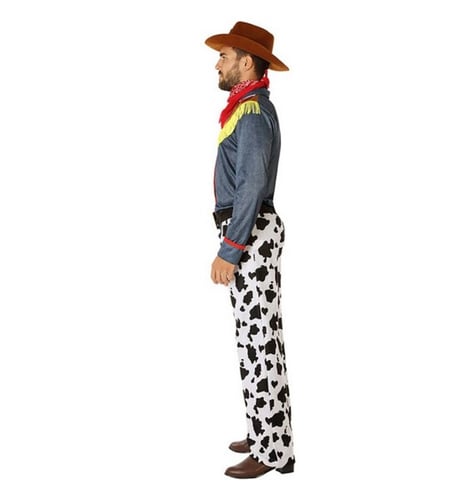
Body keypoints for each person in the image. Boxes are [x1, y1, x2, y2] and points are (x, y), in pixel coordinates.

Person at [205, 21, 295, 479]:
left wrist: (231, 247)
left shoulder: (254, 112)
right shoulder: (245, 108)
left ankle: (271, 449)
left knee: (260, 341)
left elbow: (252, 186)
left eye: (224, 56)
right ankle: (265, 432)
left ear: (246, 61)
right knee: (254, 339)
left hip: (250, 233)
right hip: (249, 232)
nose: (217, 64)